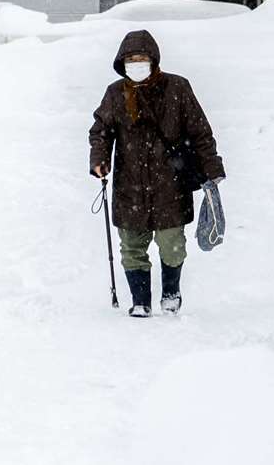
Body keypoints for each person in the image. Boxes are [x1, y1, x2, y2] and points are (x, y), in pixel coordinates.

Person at [89, 28, 224, 317]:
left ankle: (171, 294)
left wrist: (212, 168)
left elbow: (200, 132)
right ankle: (140, 301)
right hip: (130, 185)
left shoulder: (177, 88)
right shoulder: (115, 93)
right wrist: (99, 158)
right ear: (122, 63)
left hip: (170, 184)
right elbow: (101, 130)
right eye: (130, 60)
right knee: (131, 245)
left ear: (153, 59)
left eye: (141, 59)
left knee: (172, 244)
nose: (136, 65)